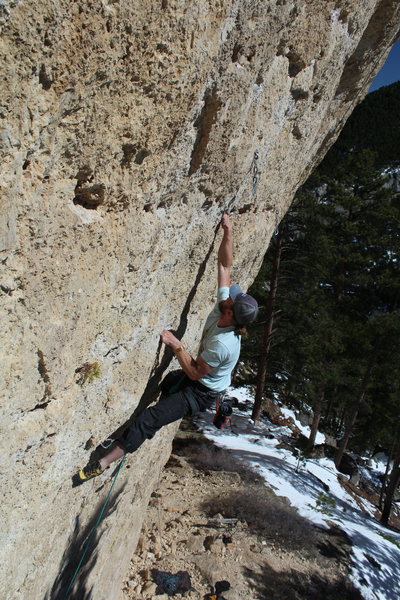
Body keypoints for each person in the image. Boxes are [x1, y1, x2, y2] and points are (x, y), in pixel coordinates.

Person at [77, 214, 258, 482]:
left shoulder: (224, 343)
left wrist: (176, 345)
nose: (227, 296)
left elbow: (196, 373)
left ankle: (103, 462)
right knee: (167, 386)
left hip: (202, 392)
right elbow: (224, 265)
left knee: (152, 418)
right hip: (197, 379)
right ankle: (132, 435)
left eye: (230, 300)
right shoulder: (225, 308)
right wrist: (227, 232)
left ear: (231, 315)